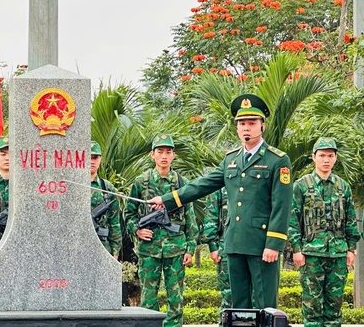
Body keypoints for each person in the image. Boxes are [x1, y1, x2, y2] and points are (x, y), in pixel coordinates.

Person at [149, 94, 293, 309]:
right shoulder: (231, 159)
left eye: (252, 123)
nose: (246, 128)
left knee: (265, 305)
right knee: (239, 306)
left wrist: (274, 244)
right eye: (242, 123)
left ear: (262, 126)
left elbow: (282, 206)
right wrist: (168, 200)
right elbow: (203, 184)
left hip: (262, 243)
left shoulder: (277, 159)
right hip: (234, 242)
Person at [124, 134, 197, 327]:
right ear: (152, 155)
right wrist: (137, 231)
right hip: (149, 249)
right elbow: (128, 214)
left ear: (173, 155)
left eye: (168, 152)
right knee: (148, 298)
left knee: (176, 298)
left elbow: (190, 218)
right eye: (160, 152)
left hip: (176, 248)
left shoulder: (182, 183)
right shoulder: (141, 182)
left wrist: (190, 248)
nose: (164, 156)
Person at [288, 137, 359, 327]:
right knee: (311, 309)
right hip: (311, 255)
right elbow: (292, 219)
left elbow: (350, 219)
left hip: (337, 254)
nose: (326, 160)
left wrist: (351, 249)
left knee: (334, 308)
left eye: (330, 156)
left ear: (335, 158)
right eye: (322, 155)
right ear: (314, 157)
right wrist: (296, 249)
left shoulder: (343, 187)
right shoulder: (301, 185)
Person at [202, 188, 232, 320]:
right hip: (225, 247)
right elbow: (210, 215)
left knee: (255, 297)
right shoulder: (221, 187)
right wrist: (213, 247)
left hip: (253, 247)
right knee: (228, 295)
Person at [89, 140, 122, 259]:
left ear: (100, 159)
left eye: (95, 157)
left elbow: (114, 222)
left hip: (102, 244)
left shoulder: (107, 188)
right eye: (89, 157)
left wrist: (115, 251)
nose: (92, 161)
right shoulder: (74, 187)